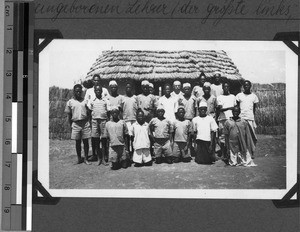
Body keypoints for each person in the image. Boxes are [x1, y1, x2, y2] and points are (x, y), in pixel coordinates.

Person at [84, 74, 110, 161]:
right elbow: (86, 103)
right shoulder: (89, 91)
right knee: (94, 137)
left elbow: (107, 102)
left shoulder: (105, 90)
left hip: (103, 118)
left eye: (98, 80)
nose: (96, 82)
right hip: (94, 117)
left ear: (100, 81)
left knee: (104, 138)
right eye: (95, 80)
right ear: (92, 81)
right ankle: (95, 154)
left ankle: (104, 155)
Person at [65, 84, 91, 165]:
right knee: (77, 142)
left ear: (82, 91)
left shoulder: (85, 101)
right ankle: (79, 158)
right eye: (77, 91)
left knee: (86, 142)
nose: (78, 93)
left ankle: (86, 158)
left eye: (80, 91)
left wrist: (88, 120)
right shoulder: (70, 102)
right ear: (74, 92)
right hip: (76, 124)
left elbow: (89, 112)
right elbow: (69, 115)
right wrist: (71, 125)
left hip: (85, 123)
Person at [235, 80, 259, 156]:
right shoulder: (239, 95)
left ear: (250, 86)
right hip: (241, 118)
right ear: (243, 86)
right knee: (241, 136)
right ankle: (242, 152)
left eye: (247, 85)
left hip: (250, 118)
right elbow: (237, 107)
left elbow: (254, 109)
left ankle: (251, 152)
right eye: (245, 85)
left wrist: (253, 118)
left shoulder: (254, 96)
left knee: (252, 136)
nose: (246, 86)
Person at [216, 81, 237, 161]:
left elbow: (235, 108)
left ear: (229, 87)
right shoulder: (219, 97)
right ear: (222, 88)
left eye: (227, 86)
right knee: (222, 137)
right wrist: (229, 108)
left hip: (231, 119)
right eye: (224, 87)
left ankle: (231, 153)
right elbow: (220, 109)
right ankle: (224, 153)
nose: (226, 88)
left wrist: (230, 108)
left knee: (232, 137)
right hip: (222, 119)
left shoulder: (233, 97)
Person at [120, 83, 138, 157]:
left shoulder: (135, 97)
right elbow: (120, 109)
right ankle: (128, 152)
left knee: (133, 136)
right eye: (127, 87)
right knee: (127, 137)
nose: (128, 89)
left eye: (129, 87)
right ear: (125, 89)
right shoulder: (122, 98)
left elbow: (138, 108)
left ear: (132, 89)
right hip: (126, 120)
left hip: (134, 119)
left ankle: (134, 152)